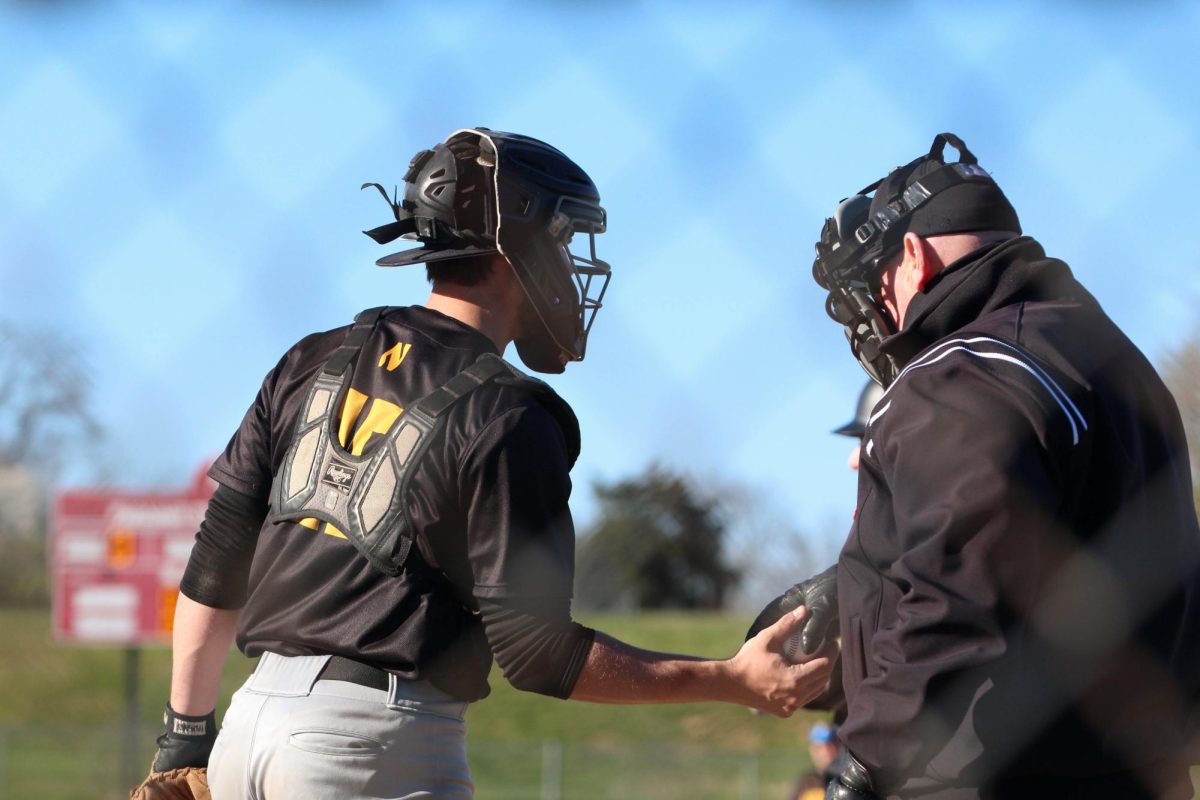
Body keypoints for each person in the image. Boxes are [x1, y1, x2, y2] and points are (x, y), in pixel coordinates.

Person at [135, 128, 833, 800]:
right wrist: (729, 678)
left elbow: (218, 557)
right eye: (563, 242)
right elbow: (540, 654)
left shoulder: (314, 357)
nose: (570, 266)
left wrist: (184, 737)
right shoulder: (506, 411)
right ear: (511, 251)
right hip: (373, 741)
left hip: (246, 730)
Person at [800, 132, 1200, 799]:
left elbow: (955, 588)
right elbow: (1030, 547)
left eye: (877, 289)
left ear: (913, 256)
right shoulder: (1110, 358)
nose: (882, 313)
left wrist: (864, 761)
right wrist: (859, 587)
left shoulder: (957, 371)